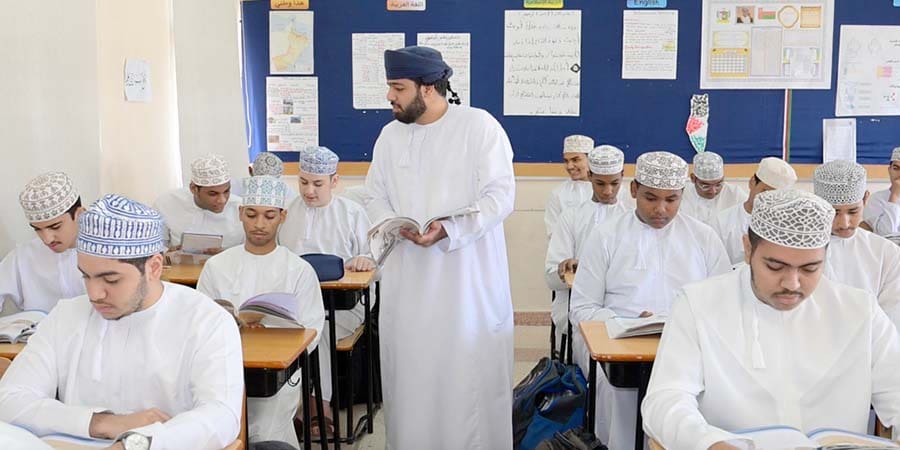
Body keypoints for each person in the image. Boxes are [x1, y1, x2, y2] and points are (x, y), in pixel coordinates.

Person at [641, 189, 900, 450]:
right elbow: (666, 400)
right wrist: (708, 443)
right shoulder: (698, 304)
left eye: (809, 268)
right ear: (748, 249)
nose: (792, 283)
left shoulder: (859, 310)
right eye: (775, 267)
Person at [0, 194, 243, 450]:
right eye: (86, 276)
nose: (94, 294)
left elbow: (221, 416)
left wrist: (135, 444)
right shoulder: (66, 316)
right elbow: (8, 399)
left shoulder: (206, 321)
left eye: (111, 280)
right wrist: (100, 422)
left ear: (154, 267)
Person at [365, 45, 515, 449]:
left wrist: (449, 229)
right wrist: (393, 222)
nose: (390, 96)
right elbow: (374, 195)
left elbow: (500, 196)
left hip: (467, 288)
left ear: (428, 87)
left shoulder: (479, 127)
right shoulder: (389, 136)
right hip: (408, 289)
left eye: (398, 87)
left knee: (466, 388)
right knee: (412, 385)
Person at [569, 151, 730, 449]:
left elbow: (723, 305)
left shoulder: (704, 238)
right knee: (622, 423)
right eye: (651, 198)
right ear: (634, 190)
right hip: (620, 356)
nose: (661, 209)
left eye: (671, 199)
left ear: (682, 195)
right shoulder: (605, 236)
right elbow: (581, 308)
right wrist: (625, 324)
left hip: (687, 354)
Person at [197, 175, 325, 448]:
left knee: (265, 430)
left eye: (269, 216)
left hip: (279, 373)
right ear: (240, 213)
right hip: (224, 366)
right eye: (252, 215)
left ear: (282, 217)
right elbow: (199, 323)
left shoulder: (299, 270)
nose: (259, 224)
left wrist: (269, 334)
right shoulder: (217, 266)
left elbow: (312, 330)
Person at [278, 145, 374, 436]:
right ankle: (279, 413)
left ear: (334, 181)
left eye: (317, 184)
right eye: (303, 182)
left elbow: (374, 259)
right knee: (278, 329)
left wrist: (364, 260)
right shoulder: (286, 211)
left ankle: (318, 408)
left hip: (344, 305)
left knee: (316, 329)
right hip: (294, 303)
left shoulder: (352, 213)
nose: (309, 191)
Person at [544, 145, 631, 353]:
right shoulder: (571, 217)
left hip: (626, 308)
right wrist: (564, 269)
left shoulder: (632, 217)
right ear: (590, 176)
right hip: (579, 307)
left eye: (614, 183)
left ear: (622, 176)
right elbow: (550, 276)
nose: (608, 191)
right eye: (600, 183)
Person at [812, 160, 900, 328]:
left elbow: (893, 316)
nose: (844, 223)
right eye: (834, 213)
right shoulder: (799, 251)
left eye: (853, 211)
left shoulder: (886, 252)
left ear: (865, 199)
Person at [0, 172, 85, 312]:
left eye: (55, 227)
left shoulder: (108, 251)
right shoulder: (22, 257)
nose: (47, 239)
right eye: (37, 229)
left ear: (79, 214)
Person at [712, 157, 797, 265]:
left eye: (775, 196)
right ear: (752, 182)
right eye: (764, 191)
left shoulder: (786, 228)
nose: (768, 200)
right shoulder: (722, 221)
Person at [154, 154, 244, 251]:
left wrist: (226, 254)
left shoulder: (241, 208)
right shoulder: (167, 203)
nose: (222, 200)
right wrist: (168, 252)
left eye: (226, 191)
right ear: (193, 189)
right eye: (213, 194)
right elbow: (155, 245)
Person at [545, 134, 594, 237]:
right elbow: (553, 233)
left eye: (575, 160)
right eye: (566, 161)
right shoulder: (558, 194)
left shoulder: (614, 192)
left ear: (590, 159)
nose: (570, 166)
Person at [679, 152, 747, 225]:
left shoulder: (735, 194)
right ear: (693, 178)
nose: (713, 191)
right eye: (706, 186)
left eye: (718, 185)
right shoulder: (681, 194)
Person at [862, 147, 900, 237]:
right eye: (896, 168)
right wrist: (894, 195)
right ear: (889, 170)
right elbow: (886, 234)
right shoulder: (876, 199)